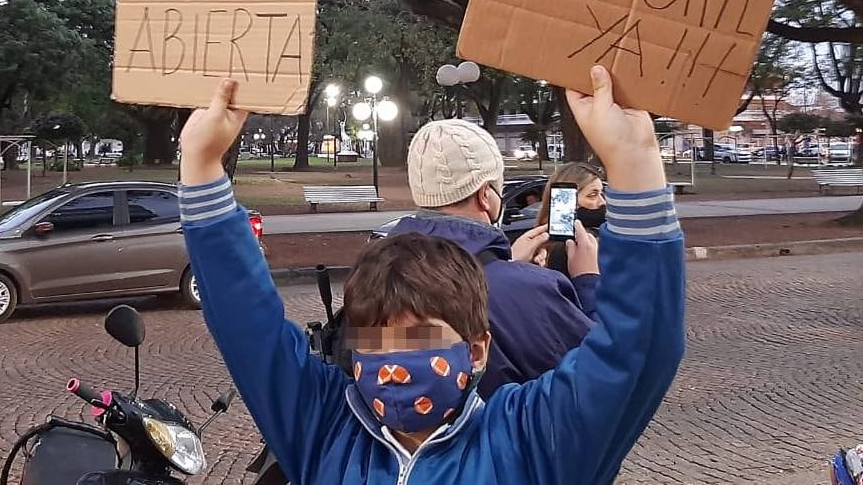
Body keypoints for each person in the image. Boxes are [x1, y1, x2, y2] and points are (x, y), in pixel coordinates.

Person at [179, 66, 686, 485]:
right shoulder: (324, 427)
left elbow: (637, 348)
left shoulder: (532, 438)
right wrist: (201, 165)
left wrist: (635, 161)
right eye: (374, 342)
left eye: (419, 337)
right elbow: (248, 323)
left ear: (477, 349)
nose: (394, 363)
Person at [386, 119, 597, 398]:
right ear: (486, 195)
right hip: (504, 438)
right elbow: (599, 373)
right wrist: (587, 281)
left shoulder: (378, 274)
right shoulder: (530, 290)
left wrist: (508, 267)